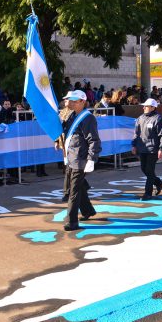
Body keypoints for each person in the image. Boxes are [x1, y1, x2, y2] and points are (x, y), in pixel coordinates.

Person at [56, 90, 101, 231]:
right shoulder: (72, 116)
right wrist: (58, 140)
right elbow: (67, 133)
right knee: (78, 186)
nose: (71, 103)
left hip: (80, 159)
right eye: (71, 100)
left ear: (82, 102)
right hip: (71, 157)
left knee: (73, 191)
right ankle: (88, 211)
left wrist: (91, 159)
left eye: (75, 101)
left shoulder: (88, 118)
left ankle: (72, 221)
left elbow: (93, 140)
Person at [132, 98, 162, 201]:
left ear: (153, 107)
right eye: (144, 106)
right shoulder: (140, 118)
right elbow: (136, 133)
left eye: (146, 106)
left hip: (153, 149)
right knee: (144, 169)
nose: (144, 107)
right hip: (142, 148)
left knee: (149, 170)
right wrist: (134, 145)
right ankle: (159, 183)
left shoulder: (158, 118)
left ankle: (147, 193)